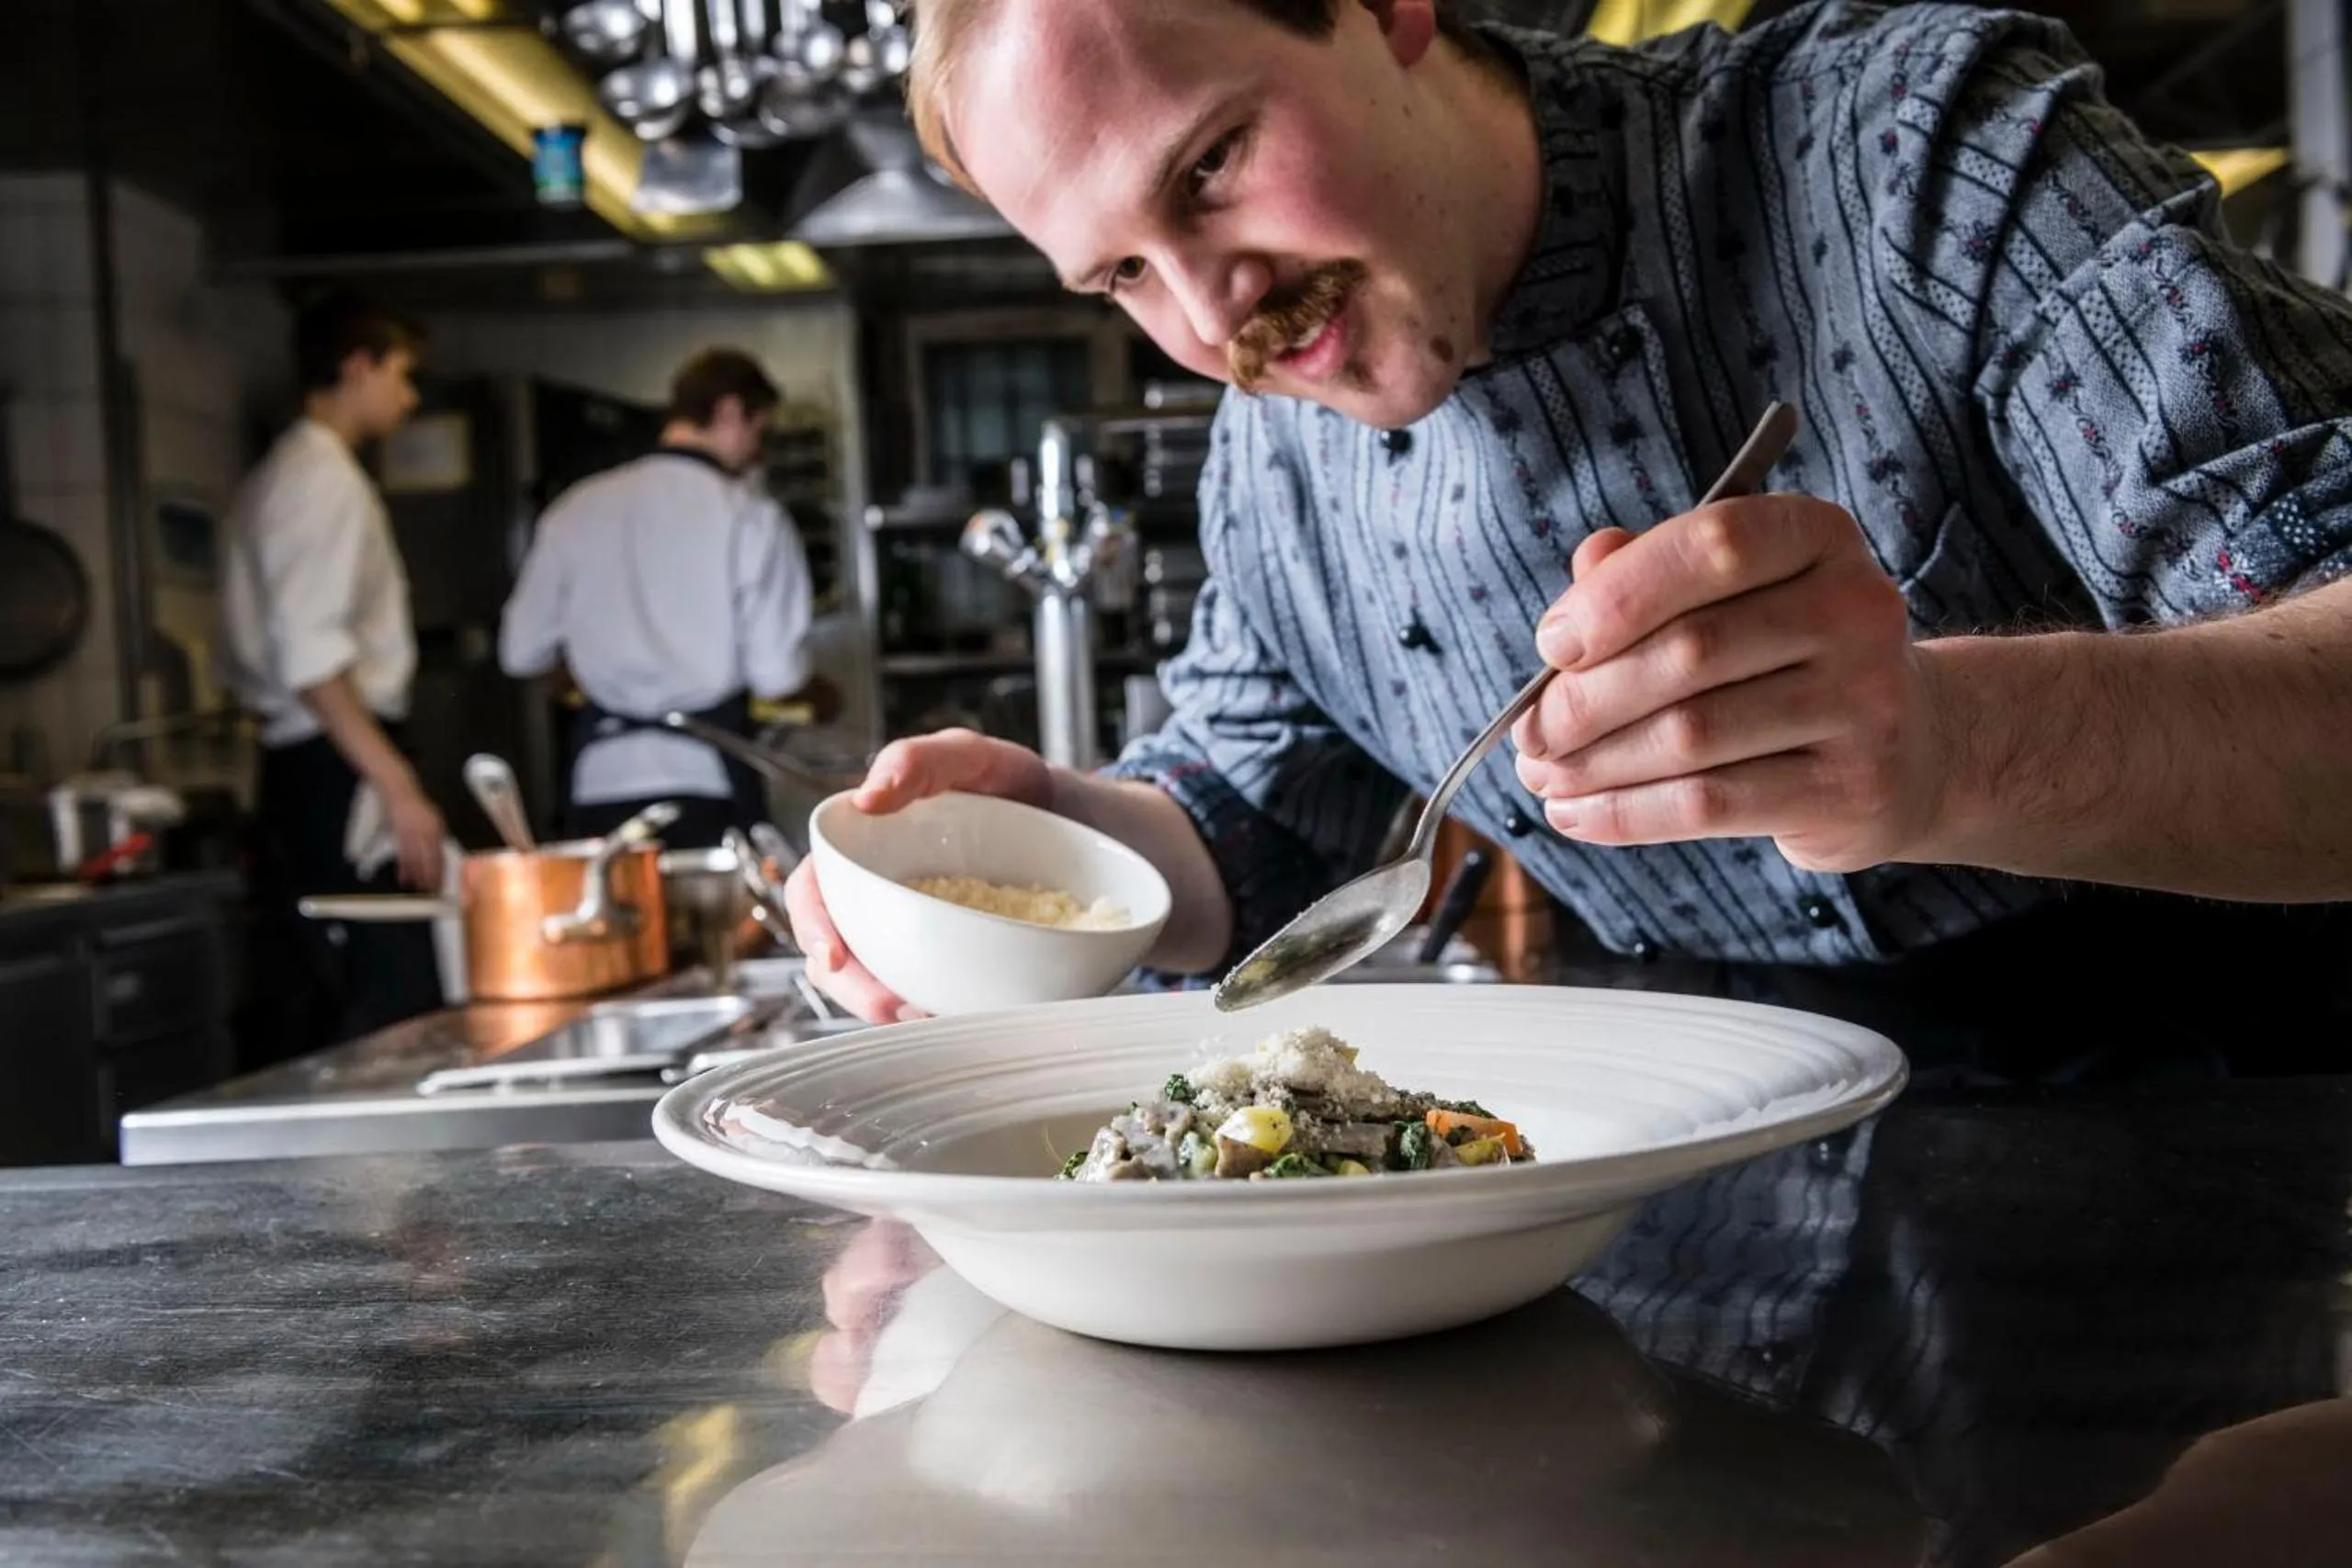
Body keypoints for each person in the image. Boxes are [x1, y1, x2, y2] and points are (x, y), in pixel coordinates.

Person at [788, 0, 2352, 1068]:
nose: (1212, 315)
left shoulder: (1917, 157)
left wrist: (1947, 745)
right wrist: (1044, 847)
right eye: (1122, 275)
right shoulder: (1273, 466)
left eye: (1210, 169)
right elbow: (1263, 831)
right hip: (1699, 1206)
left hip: (2246, 1140)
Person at [220, 288, 444, 1048]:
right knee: (389, 1000)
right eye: (401, 374)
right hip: (335, 761)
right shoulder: (320, 481)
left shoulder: (286, 474)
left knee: (348, 985)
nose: (408, 398)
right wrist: (397, 784)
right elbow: (312, 661)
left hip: (314, 759)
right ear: (358, 366)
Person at [499, 348, 816, 849]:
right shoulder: (750, 517)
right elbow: (777, 675)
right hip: (706, 780)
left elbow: (520, 653)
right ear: (731, 412)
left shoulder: (578, 507)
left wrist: (588, 672)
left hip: (598, 781)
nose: (758, 450)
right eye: (759, 431)